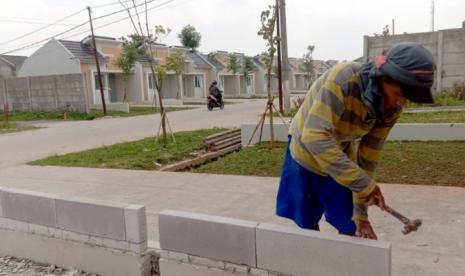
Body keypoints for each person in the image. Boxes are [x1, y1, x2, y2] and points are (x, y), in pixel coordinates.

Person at [276, 42, 435, 239]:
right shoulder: (344, 80)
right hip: (304, 148)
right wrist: (362, 184)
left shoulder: (391, 109)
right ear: (384, 78)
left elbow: (368, 159)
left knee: (349, 224)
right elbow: (314, 137)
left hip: (339, 150)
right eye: (401, 94)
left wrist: (361, 216)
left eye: (407, 99)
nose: (401, 102)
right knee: (308, 223)